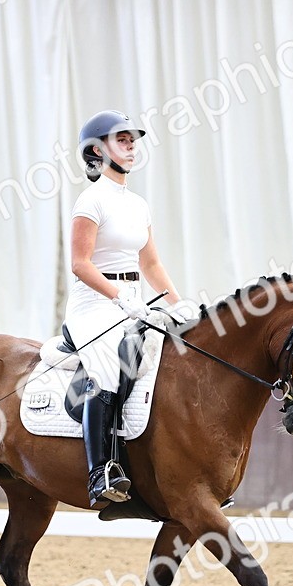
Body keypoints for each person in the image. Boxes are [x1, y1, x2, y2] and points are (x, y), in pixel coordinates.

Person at [66, 109, 189, 509]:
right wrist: (118, 298)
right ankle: (99, 472)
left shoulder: (138, 205)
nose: (131, 145)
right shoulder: (91, 200)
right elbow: (80, 263)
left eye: (132, 140)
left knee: (171, 354)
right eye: (122, 139)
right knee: (106, 369)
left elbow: (151, 264)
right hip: (94, 306)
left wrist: (179, 303)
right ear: (98, 150)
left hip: (134, 301)